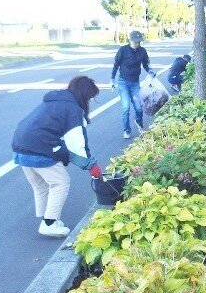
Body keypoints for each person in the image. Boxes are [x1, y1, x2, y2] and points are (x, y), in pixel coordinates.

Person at [12, 76, 103, 238]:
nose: (89, 102)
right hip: (39, 147)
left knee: (40, 186)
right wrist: (90, 164)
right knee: (61, 182)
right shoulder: (72, 108)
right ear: (84, 95)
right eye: (90, 98)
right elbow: (76, 142)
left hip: (21, 145)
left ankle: (46, 219)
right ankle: (49, 224)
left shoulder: (55, 100)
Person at [110, 30, 156, 139]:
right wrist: (112, 79)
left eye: (139, 42)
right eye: (136, 42)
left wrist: (150, 71)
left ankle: (139, 124)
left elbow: (145, 64)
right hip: (123, 82)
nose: (138, 44)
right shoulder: (123, 50)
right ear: (130, 40)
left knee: (139, 108)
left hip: (135, 82)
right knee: (126, 107)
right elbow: (116, 65)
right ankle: (127, 130)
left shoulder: (142, 51)